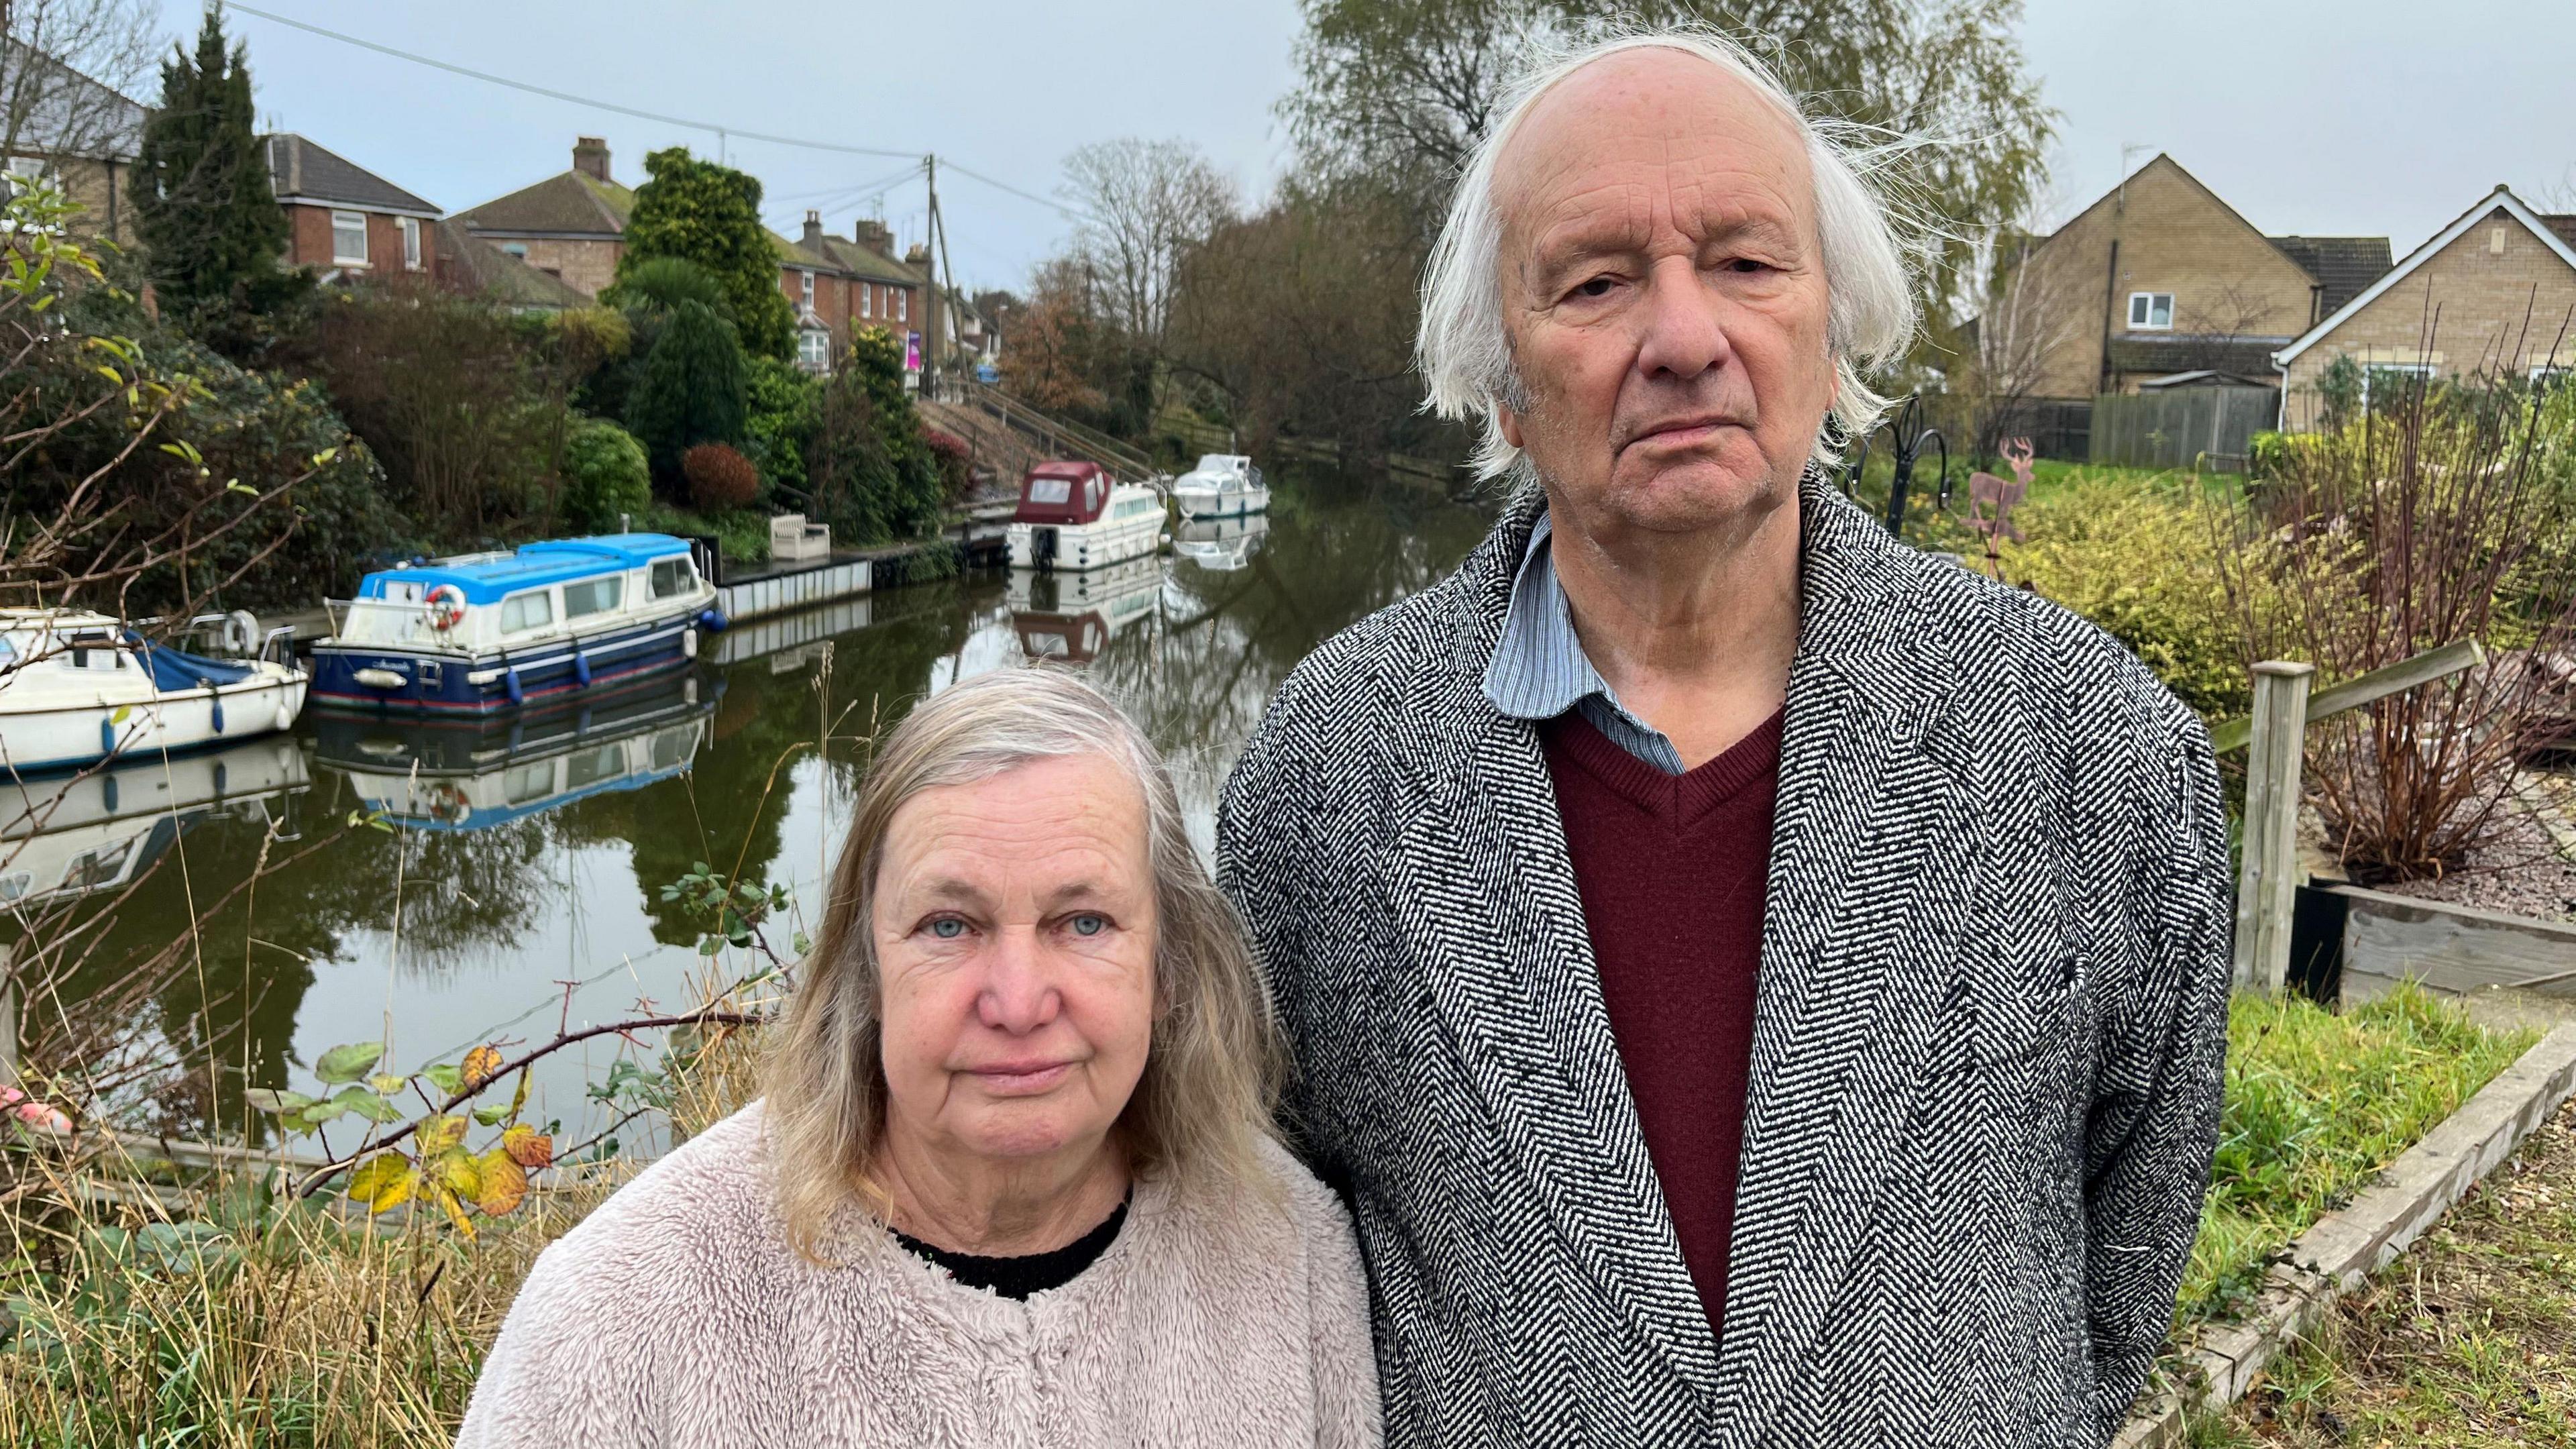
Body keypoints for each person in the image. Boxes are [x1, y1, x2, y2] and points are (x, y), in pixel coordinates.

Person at [1217, 29, 2230, 1449]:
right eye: (1595, 281)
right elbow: (1277, 1240)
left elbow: (2122, 1268)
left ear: (1834, 331)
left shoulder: (2097, 750)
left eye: (1748, 264)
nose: (1685, 337)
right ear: (1500, 373)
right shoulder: (1324, 779)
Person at [461, 668, 1381, 1448]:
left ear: (1169, 966)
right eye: (950, 924)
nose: (1019, 1002)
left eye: (1084, 921)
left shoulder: (1286, 1253)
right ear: (864, 966)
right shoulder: (616, 1317)